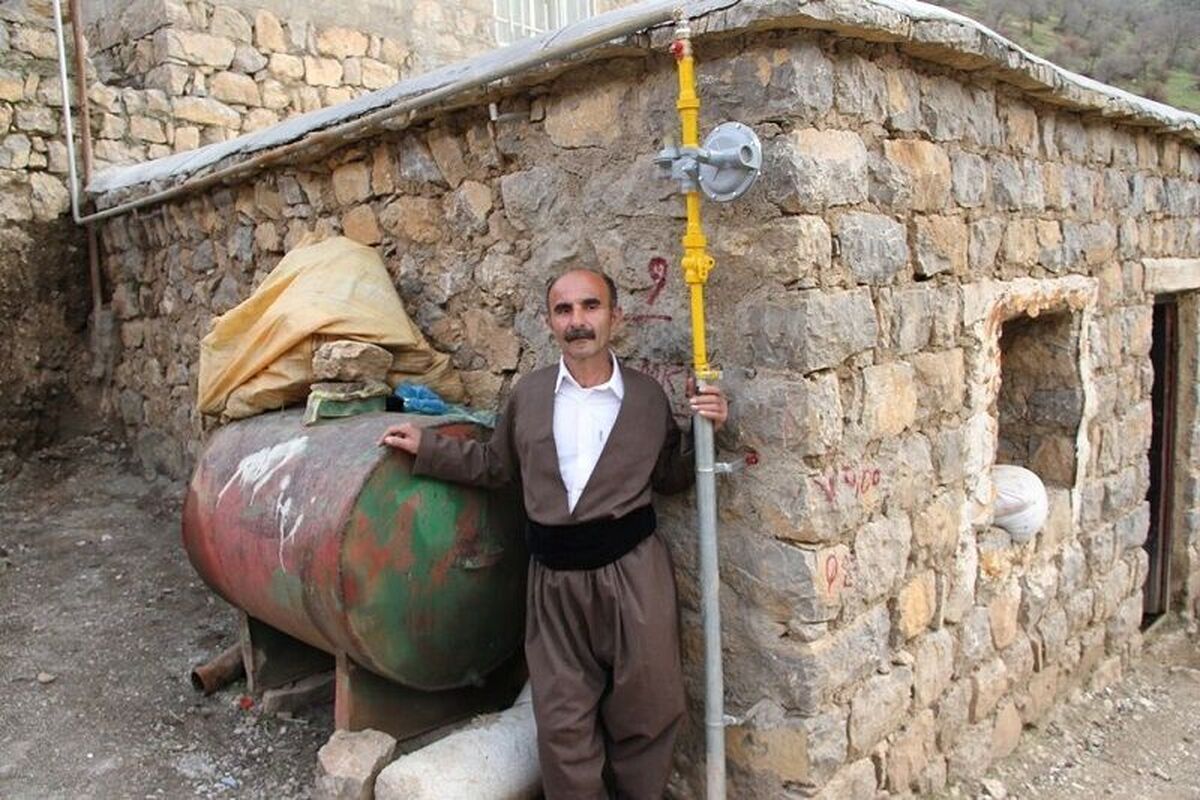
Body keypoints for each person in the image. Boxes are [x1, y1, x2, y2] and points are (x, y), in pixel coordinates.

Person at [379, 268, 728, 799]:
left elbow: (671, 479)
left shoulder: (647, 398)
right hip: (554, 585)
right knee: (563, 723)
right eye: (564, 310)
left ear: (616, 316)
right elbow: (498, 467)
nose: (578, 321)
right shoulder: (530, 395)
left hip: (634, 577)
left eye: (590, 306)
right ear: (549, 322)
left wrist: (710, 431)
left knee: (651, 707)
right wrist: (428, 448)